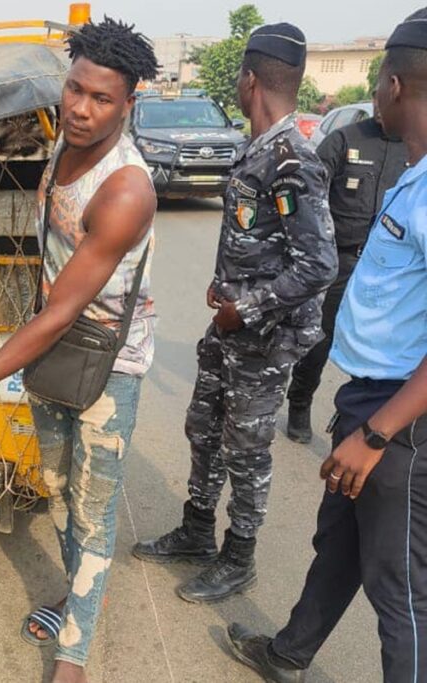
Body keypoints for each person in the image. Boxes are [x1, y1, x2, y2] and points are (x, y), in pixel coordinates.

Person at [0, 18, 159, 683]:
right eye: (74, 90)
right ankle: (75, 592)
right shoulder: (62, 145)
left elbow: (60, 310)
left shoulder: (125, 189)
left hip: (109, 361)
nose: (81, 109)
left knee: (93, 508)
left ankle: (74, 656)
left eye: (101, 99)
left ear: (128, 103)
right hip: (53, 350)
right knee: (54, 491)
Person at [225, 11, 427, 682]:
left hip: (400, 416)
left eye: (377, 83)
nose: (374, 96)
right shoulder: (413, 174)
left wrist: (375, 434)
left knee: (400, 588)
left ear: (395, 84)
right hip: (371, 399)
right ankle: (289, 654)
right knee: (339, 543)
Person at [132, 24, 337, 603]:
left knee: (246, 449)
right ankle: (197, 530)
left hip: (264, 339)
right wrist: (224, 286)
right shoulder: (259, 148)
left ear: (249, 80)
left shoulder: (293, 159)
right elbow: (263, 241)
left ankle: (238, 557)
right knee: (204, 428)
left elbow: (318, 264)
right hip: (232, 328)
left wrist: (244, 306)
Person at [284, 95, 408, 442]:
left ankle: (371, 418)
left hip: (391, 272)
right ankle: (299, 401)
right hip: (341, 260)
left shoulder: (417, 148)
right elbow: (309, 196)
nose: (382, 108)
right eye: (377, 100)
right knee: (320, 338)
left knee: (384, 346)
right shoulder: (345, 139)